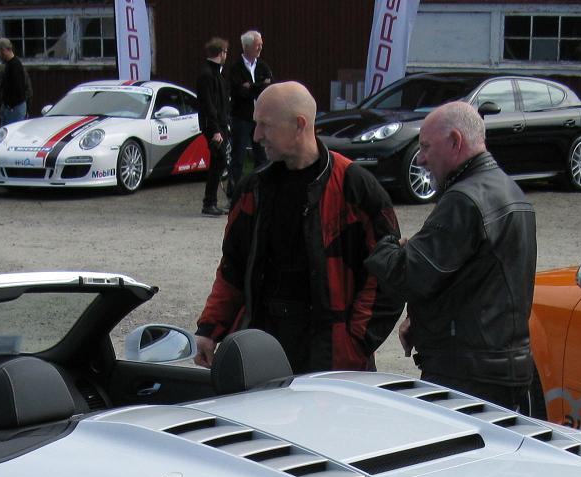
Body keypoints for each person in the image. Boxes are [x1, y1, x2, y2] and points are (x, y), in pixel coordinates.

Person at [194, 81, 402, 374]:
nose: (256, 136)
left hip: (330, 358)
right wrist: (209, 329)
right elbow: (233, 267)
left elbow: (388, 276)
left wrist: (355, 341)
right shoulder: (253, 190)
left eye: (265, 125)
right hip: (262, 347)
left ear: (299, 125)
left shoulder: (355, 189)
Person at [364, 102, 544, 417]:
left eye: (425, 147)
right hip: (504, 366)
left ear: (455, 142)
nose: (420, 158)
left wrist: (385, 246)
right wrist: (420, 320)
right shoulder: (510, 191)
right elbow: (476, 281)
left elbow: (410, 274)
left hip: (467, 375)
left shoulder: (464, 199)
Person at [227, 29, 271, 197]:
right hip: (241, 117)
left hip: (259, 118)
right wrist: (258, 86)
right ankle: (234, 193)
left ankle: (261, 190)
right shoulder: (236, 67)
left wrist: (251, 86)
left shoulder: (263, 66)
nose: (260, 47)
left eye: (261, 44)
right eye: (257, 44)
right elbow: (239, 91)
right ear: (247, 46)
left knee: (261, 155)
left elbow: (268, 87)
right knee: (237, 156)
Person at [195, 37, 231, 217]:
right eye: (225, 52)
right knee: (218, 160)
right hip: (213, 126)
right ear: (220, 53)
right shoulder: (207, 75)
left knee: (220, 161)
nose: (226, 55)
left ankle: (211, 201)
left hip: (221, 124)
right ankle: (209, 202)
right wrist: (216, 129)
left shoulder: (217, 74)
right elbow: (209, 104)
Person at [0, 38, 29, 124]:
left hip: (14, 108)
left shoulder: (14, 65)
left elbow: (18, 88)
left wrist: (10, 105)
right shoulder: (10, 64)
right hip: (12, 107)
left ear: (3, 50)